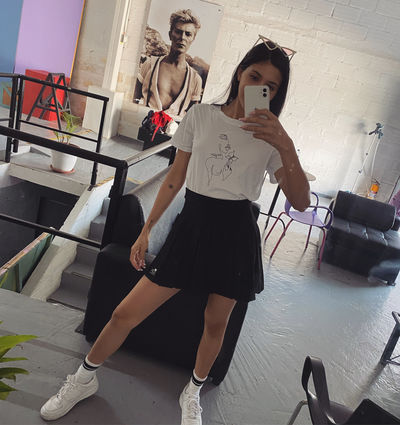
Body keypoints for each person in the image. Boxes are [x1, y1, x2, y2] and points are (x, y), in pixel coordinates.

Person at [40, 35, 310, 425]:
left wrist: (285, 144)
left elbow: (300, 201)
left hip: (236, 234)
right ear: (239, 73)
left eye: (271, 86)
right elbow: (174, 178)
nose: (260, 88)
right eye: (254, 76)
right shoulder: (201, 116)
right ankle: (83, 379)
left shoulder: (271, 139)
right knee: (124, 314)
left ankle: (192, 391)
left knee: (215, 324)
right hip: (193, 226)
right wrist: (147, 229)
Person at [134, 9, 203, 119]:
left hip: (174, 129)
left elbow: (191, 119)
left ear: (193, 39)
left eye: (188, 34)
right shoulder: (149, 65)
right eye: (178, 32)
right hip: (143, 124)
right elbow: (133, 101)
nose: (182, 37)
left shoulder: (195, 80)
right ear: (170, 35)